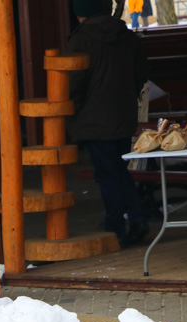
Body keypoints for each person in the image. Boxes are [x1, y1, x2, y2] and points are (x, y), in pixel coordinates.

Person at [68, 0, 149, 247]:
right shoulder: (127, 37)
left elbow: (72, 84)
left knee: (107, 173)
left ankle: (117, 226)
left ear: (80, 12)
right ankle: (135, 218)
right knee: (118, 170)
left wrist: (72, 114)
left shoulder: (79, 41)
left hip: (94, 120)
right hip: (122, 115)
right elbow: (140, 75)